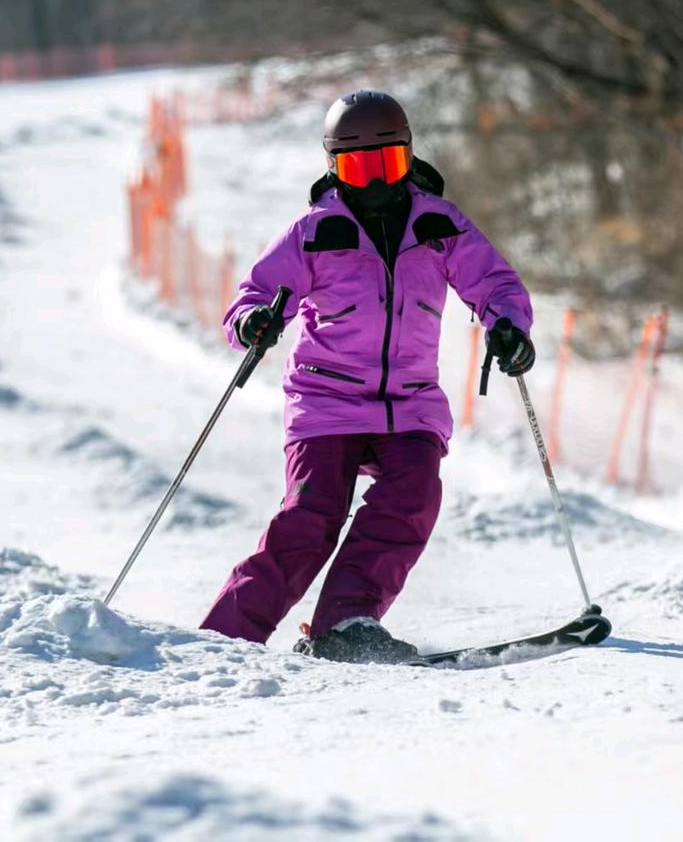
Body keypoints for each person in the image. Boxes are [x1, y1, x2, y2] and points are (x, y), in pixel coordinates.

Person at [199, 90, 535, 663]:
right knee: (312, 516)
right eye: (360, 167)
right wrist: (254, 320)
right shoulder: (316, 231)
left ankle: (346, 622)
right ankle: (224, 637)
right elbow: (253, 295)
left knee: (414, 495)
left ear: (407, 155)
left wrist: (508, 326)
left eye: (389, 164)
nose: (377, 182)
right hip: (326, 401)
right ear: (335, 166)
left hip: (409, 402)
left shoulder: (438, 224)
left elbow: (496, 284)